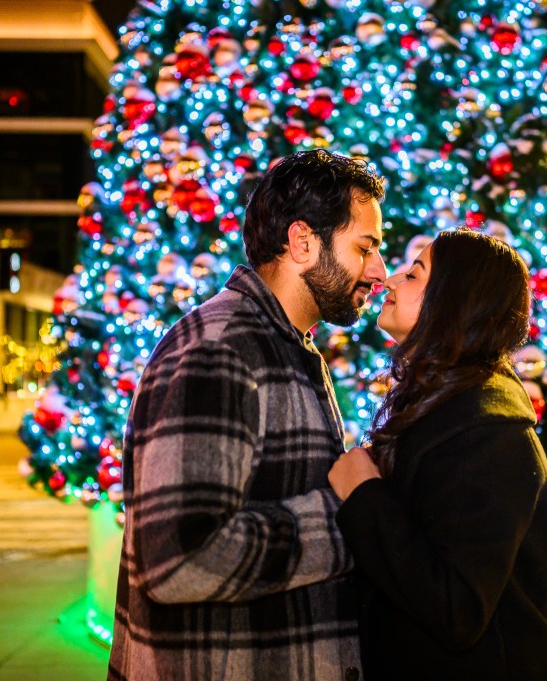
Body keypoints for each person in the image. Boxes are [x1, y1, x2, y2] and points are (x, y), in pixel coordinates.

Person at [108, 149, 387, 681]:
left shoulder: (283, 343)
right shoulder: (220, 350)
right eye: (365, 247)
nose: (378, 270)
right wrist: (355, 518)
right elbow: (179, 559)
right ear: (303, 243)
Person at [329, 229, 547, 681]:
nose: (389, 281)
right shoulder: (443, 406)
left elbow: (456, 609)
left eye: (414, 274)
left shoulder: (485, 430)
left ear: (454, 300)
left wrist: (364, 493)